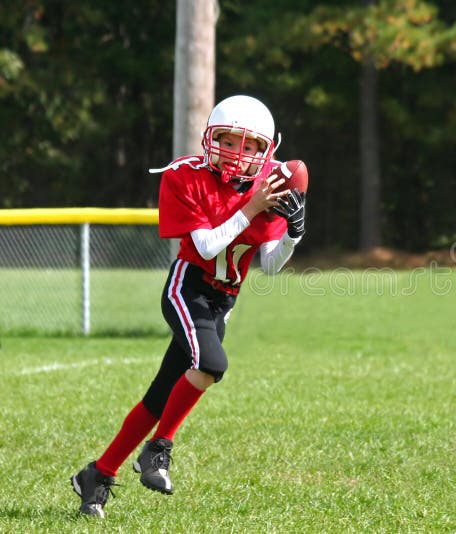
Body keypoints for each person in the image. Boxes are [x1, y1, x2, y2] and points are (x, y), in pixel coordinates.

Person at [70, 95, 307, 518]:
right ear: (211, 138)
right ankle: (158, 450)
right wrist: (251, 208)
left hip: (225, 300)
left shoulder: (271, 183)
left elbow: (270, 265)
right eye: (230, 140)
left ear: (267, 150)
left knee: (158, 399)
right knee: (212, 364)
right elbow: (204, 244)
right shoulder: (186, 175)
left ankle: (98, 475)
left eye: (251, 145)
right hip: (188, 287)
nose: (239, 152)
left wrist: (293, 234)